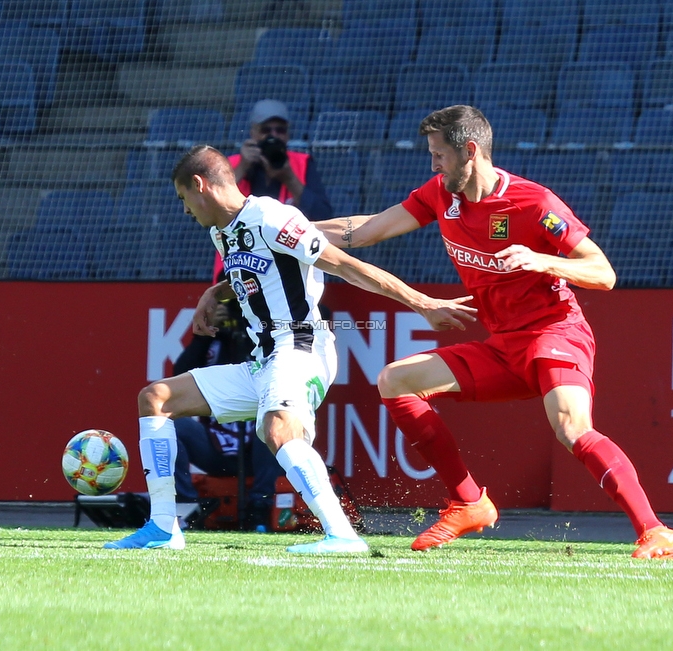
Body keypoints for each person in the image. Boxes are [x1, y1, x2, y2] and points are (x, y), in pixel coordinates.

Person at [314, 105, 673, 560]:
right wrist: (289, 231)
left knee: (572, 428)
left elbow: (603, 272)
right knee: (396, 380)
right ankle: (469, 502)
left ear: (470, 151)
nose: (433, 164)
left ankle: (655, 531)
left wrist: (544, 260)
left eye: (439, 155)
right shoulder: (440, 195)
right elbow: (368, 230)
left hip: (556, 333)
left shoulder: (534, 203)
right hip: (503, 346)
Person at [105, 144, 476, 553]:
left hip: (301, 348)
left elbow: (347, 266)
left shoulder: (273, 218)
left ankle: (342, 535)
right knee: (155, 398)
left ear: (200, 185)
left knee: (278, 429)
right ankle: (162, 527)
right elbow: (260, 269)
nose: (184, 210)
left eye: (183, 198)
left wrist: (423, 304)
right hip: (262, 360)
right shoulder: (222, 231)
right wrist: (217, 291)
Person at [171, 301, 283, 531]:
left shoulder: (271, 333)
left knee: (274, 420)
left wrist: (247, 325)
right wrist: (206, 334)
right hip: (215, 448)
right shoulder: (214, 340)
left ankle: (260, 509)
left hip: (260, 451)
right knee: (173, 425)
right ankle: (186, 507)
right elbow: (177, 376)